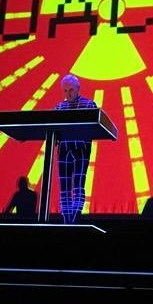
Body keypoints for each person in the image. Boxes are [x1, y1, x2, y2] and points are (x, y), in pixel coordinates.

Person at [54, 74, 97, 224]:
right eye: (65, 91)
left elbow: (94, 127)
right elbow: (54, 128)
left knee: (79, 184)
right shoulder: (59, 107)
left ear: (78, 89)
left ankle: (76, 219)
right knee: (64, 187)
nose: (68, 93)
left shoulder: (89, 104)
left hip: (81, 149)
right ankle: (66, 220)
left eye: (71, 90)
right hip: (64, 149)